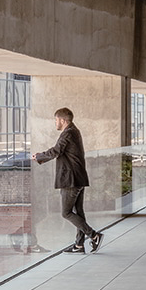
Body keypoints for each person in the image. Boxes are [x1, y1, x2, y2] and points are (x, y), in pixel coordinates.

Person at [33, 107, 102, 253]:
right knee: (79, 212)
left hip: (71, 179)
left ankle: (94, 235)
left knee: (66, 213)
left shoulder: (68, 133)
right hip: (78, 178)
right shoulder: (74, 131)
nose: (55, 123)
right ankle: (79, 245)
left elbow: (56, 150)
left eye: (56, 120)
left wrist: (39, 156)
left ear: (63, 120)